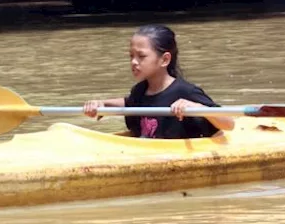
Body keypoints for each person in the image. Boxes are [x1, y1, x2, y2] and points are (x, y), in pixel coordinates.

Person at [83, 24, 226, 139]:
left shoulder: (185, 92)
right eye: (131, 56)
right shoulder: (140, 91)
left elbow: (228, 123)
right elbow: (130, 103)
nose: (133, 62)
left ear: (164, 59)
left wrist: (197, 108)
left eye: (141, 56)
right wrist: (102, 104)